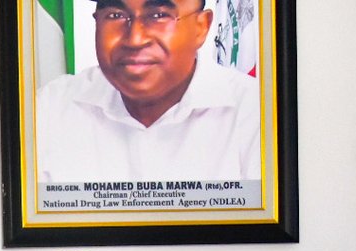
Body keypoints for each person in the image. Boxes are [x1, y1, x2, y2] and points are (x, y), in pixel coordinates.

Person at [37, 0, 262, 182]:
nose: (135, 39)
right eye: (115, 15)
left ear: (201, 27)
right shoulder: (50, 109)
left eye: (158, 15)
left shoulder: (259, 112)